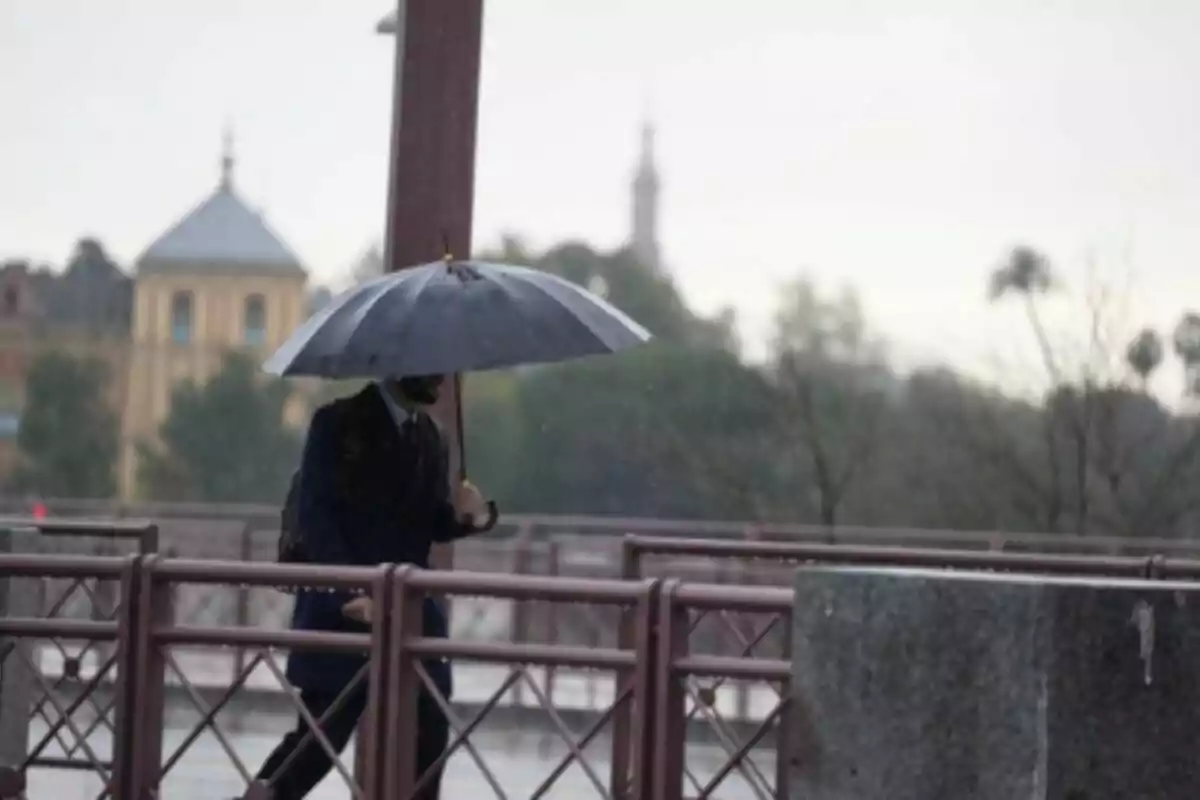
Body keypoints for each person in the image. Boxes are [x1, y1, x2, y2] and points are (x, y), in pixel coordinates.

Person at [252, 375, 497, 799]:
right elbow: (316, 516)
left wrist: (469, 518)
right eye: (429, 364)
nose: (441, 377)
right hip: (344, 607)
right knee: (318, 742)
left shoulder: (429, 436)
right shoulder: (338, 423)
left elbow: (429, 520)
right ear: (397, 364)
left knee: (429, 733)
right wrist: (352, 590)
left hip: (410, 610)